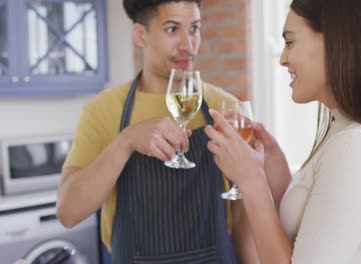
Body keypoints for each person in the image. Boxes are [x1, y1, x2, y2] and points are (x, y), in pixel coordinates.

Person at [205, 0, 361, 263]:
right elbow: (313, 226)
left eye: (290, 42)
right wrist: (273, 165)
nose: (283, 58)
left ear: (333, 42)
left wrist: (251, 181)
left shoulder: (354, 145)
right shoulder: (340, 129)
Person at [56, 0, 238, 263]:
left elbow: (242, 216)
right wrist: (126, 141)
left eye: (194, 29)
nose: (188, 45)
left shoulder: (224, 107)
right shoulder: (102, 111)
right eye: (173, 29)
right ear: (141, 35)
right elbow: (68, 213)